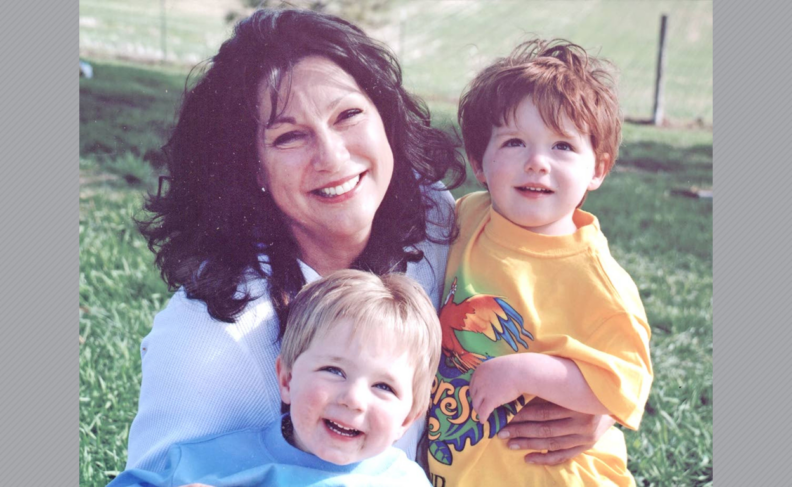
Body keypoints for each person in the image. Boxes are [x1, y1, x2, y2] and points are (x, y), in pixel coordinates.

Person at [126, 7, 615, 476]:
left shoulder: (434, 221)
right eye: (289, 138)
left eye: (348, 116)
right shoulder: (210, 340)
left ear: (386, 118)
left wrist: (591, 410)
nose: (333, 157)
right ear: (249, 166)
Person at [426, 39, 654, 486]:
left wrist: (529, 371)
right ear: (479, 161)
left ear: (598, 168)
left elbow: (625, 386)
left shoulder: (597, 279)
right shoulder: (469, 217)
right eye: (514, 142)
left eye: (563, 147)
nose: (537, 163)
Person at [109, 270, 440, 486]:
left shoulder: (403, 481)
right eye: (333, 371)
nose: (353, 398)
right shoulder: (216, 463)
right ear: (286, 380)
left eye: (383, 386)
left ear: (407, 420)